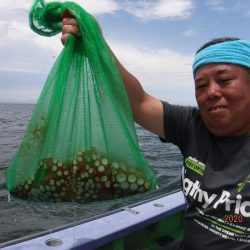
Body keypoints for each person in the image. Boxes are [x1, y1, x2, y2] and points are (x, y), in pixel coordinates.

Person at [61, 14, 250, 250]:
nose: (211, 92)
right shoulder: (192, 125)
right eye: (201, 85)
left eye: (224, 80)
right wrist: (95, 43)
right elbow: (138, 102)